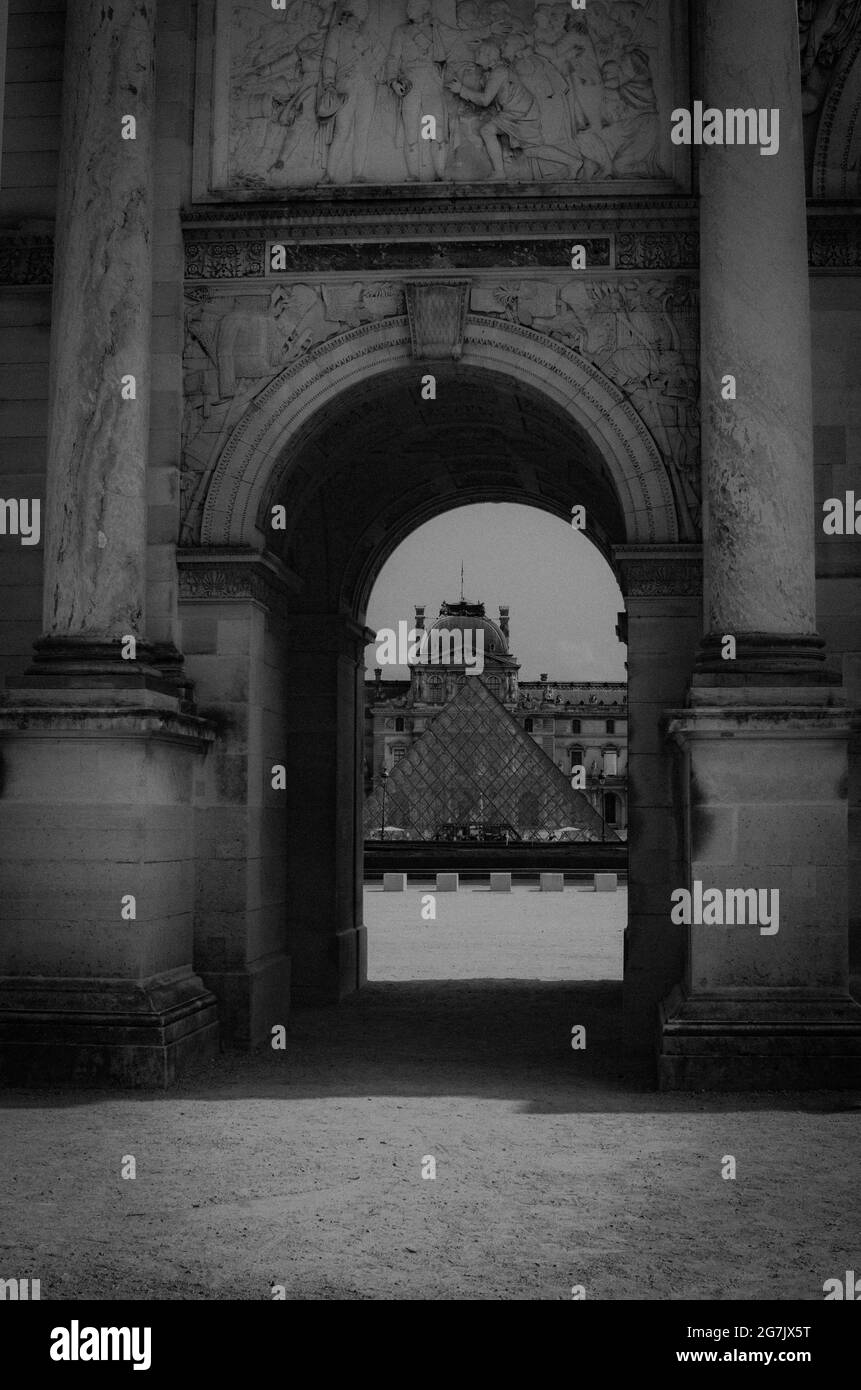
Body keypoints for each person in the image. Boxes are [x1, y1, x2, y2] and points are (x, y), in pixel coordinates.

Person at [446, 41, 581, 180]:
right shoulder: (499, 70)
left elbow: (485, 100)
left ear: (489, 55)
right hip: (517, 113)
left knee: (531, 149)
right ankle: (500, 172)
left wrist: (461, 89)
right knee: (491, 132)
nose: (476, 58)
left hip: (521, 115)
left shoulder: (499, 72)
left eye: (479, 54)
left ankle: (573, 162)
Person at [319, 0, 385, 183]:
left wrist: (368, 59)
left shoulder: (368, 35)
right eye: (360, 12)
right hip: (345, 86)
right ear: (352, 12)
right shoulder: (337, 32)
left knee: (362, 131)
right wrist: (329, 84)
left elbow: (381, 57)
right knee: (341, 131)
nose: (361, 18)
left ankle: (358, 173)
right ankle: (329, 174)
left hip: (367, 86)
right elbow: (330, 59)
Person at [386, 0, 448, 181]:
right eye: (407, 5)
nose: (407, 9)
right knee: (411, 130)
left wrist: (435, 29)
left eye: (412, 5)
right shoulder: (401, 31)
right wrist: (392, 82)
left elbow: (443, 57)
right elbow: (392, 59)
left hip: (432, 84)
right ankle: (413, 174)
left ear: (424, 8)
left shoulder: (435, 29)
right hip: (410, 85)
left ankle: (440, 174)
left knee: (436, 129)